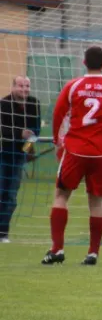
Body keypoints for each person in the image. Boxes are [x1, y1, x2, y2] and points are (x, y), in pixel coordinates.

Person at [41, 46, 102, 265]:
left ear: (84, 63)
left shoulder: (73, 86)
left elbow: (58, 114)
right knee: (96, 200)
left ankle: (57, 249)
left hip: (76, 149)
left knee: (61, 195)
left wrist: (58, 141)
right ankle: (93, 253)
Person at [0, 76, 41, 243]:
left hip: (18, 157)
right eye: (21, 86)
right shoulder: (3, 104)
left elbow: (35, 131)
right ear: (13, 87)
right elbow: (4, 130)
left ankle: (3, 233)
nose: (24, 89)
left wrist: (27, 150)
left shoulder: (34, 104)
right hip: (3, 154)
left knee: (11, 197)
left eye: (27, 86)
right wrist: (20, 134)